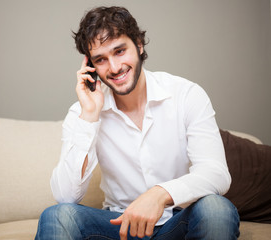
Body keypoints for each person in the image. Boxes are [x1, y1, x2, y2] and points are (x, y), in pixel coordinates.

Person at [35, 6, 240, 240]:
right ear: (90, 67)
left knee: (216, 208)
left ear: (139, 44)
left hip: (176, 223)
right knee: (57, 215)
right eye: (101, 59)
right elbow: (65, 198)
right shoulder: (82, 112)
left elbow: (216, 174)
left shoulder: (186, 95)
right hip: (118, 227)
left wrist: (159, 194)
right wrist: (90, 116)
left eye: (120, 51)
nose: (114, 68)